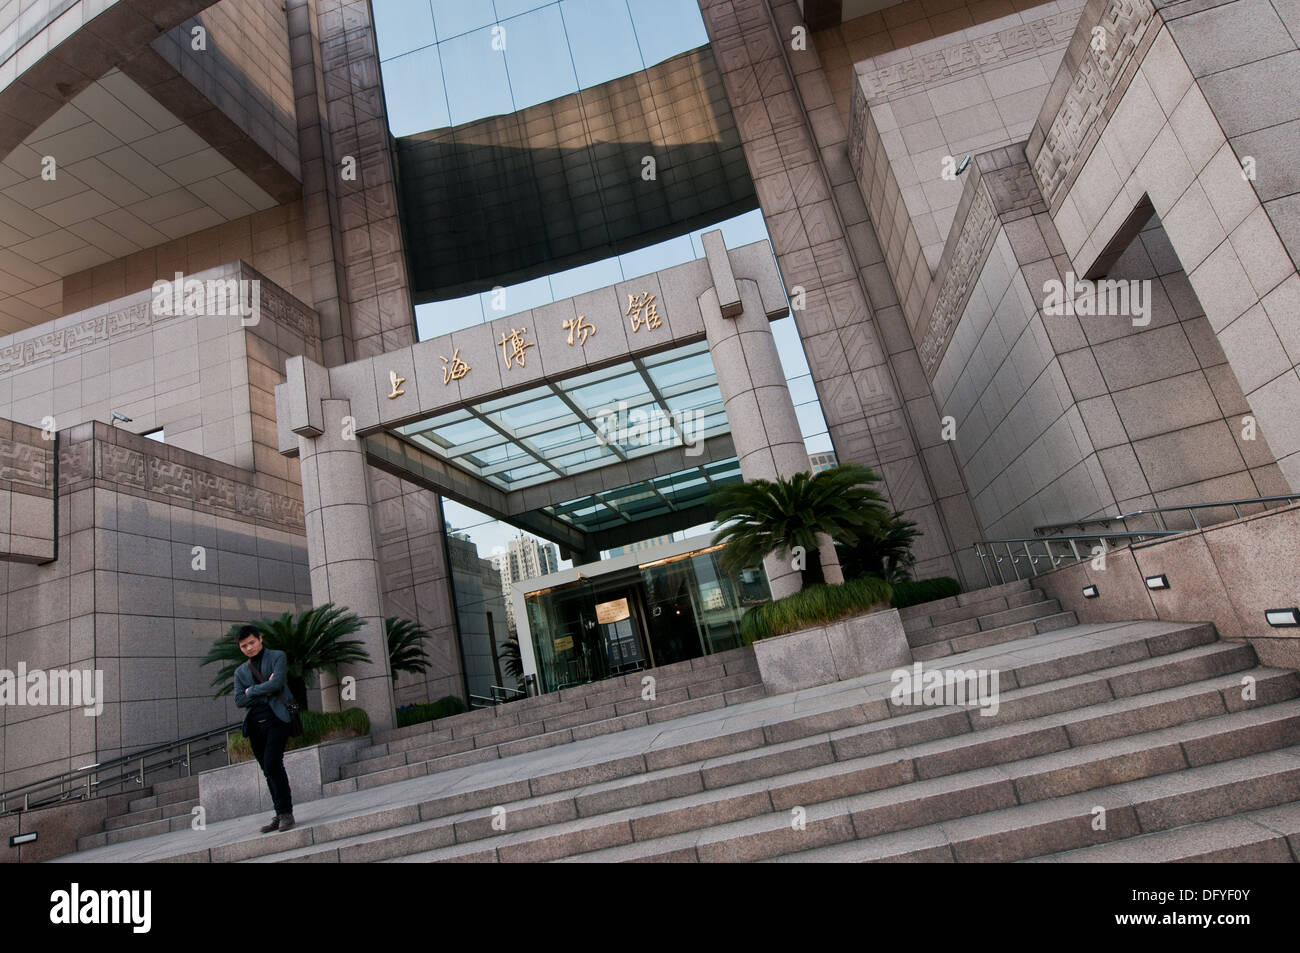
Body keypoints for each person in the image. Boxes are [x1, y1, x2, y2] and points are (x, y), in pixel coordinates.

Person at [233, 626, 295, 833]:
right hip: (254, 726)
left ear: (260, 639)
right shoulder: (240, 671)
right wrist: (261, 690)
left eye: (252, 642)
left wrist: (251, 690)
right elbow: (239, 700)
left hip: (278, 719)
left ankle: (286, 813)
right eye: (244, 646)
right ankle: (279, 813)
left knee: (273, 763)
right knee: (268, 770)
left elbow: (277, 684)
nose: (249, 648)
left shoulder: (277, 656)